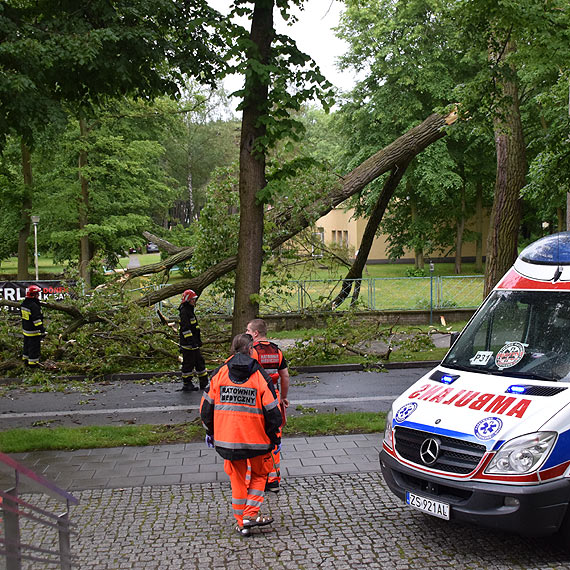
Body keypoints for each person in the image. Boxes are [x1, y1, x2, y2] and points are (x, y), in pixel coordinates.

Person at [200, 333, 282, 537]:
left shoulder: (220, 374)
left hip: (228, 440)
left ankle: (242, 522)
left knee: (237, 480)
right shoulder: (259, 375)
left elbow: (206, 408)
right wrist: (275, 438)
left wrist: (211, 432)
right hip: (256, 439)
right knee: (260, 475)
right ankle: (250, 514)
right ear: (251, 349)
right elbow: (273, 411)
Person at [246, 318, 289, 493]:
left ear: (255, 333)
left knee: (255, 438)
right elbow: (285, 376)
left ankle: (257, 479)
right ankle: (273, 479)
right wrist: (283, 397)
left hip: (257, 401)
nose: (246, 334)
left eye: (248, 331)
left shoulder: (252, 352)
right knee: (274, 439)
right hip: (275, 399)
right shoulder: (276, 351)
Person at [178, 289, 208, 392]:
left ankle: (204, 382)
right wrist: (191, 341)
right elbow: (185, 329)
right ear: (188, 300)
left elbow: (194, 328)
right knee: (188, 364)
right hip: (188, 345)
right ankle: (187, 384)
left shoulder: (189, 310)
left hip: (193, 344)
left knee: (199, 362)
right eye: (193, 299)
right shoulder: (184, 312)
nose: (194, 301)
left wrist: (197, 341)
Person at [20, 284, 46, 367]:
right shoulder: (33, 306)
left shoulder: (24, 304)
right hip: (33, 331)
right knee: (34, 348)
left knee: (26, 346)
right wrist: (42, 330)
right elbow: (37, 320)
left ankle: (25, 360)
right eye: (37, 294)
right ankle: (33, 364)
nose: (38, 296)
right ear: (33, 295)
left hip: (26, 329)